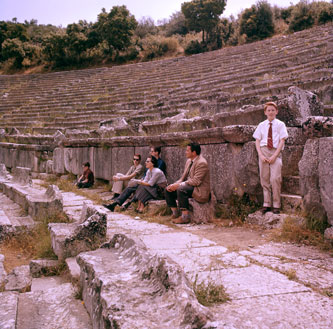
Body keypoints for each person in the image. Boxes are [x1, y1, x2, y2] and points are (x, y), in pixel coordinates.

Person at [253, 101, 288, 214]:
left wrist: (274, 155)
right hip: (263, 151)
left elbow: (282, 141)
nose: (271, 112)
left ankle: (276, 204)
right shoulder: (261, 125)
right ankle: (266, 203)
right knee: (264, 179)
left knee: (275, 178)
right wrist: (261, 155)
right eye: (269, 110)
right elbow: (257, 141)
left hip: (275, 151)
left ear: (276, 111)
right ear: (265, 112)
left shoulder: (280, 124)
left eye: (273, 110)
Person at [165, 142, 210, 224]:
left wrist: (178, 185)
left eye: (187, 150)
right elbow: (183, 178)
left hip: (199, 191)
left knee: (181, 189)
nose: (185, 152)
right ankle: (175, 213)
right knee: (168, 189)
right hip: (190, 187)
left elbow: (196, 181)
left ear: (194, 152)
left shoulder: (202, 163)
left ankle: (185, 217)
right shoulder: (189, 161)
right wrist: (174, 185)